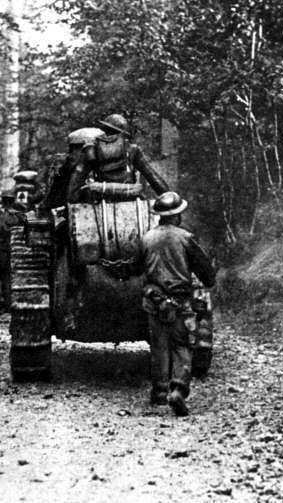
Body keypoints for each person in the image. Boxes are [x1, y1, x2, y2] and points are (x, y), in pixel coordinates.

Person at [136, 191, 217, 416]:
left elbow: (135, 267)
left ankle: (159, 392)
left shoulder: (146, 238)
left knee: (159, 346)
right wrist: (209, 279)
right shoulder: (185, 238)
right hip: (180, 303)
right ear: (176, 216)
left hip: (154, 302)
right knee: (181, 345)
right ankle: (178, 389)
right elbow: (205, 271)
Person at [66, 114, 169, 202]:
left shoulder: (91, 151)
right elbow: (154, 178)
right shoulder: (132, 150)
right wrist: (169, 197)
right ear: (123, 134)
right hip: (131, 202)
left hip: (102, 204)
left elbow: (73, 192)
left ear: (104, 130)